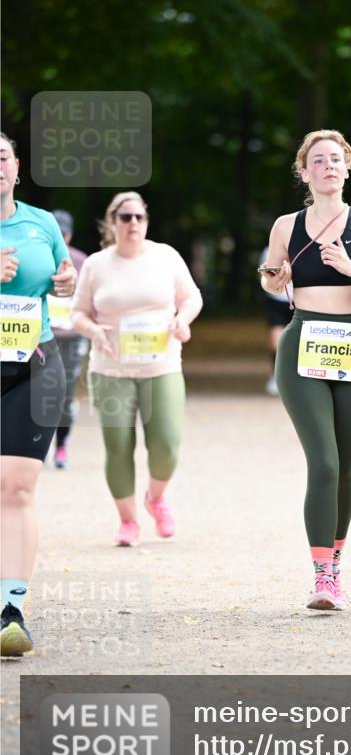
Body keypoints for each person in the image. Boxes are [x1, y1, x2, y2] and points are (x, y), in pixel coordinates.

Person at [260, 129, 351, 611]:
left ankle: (336, 564)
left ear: (347, 168)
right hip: (303, 343)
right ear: (305, 172)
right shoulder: (285, 226)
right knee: (323, 462)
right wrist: (275, 279)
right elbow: (275, 283)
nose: (328, 167)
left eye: (336, 160)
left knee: (347, 466)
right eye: (318, 161)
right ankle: (322, 577)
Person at [71, 192, 203, 546]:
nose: (133, 223)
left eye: (139, 217)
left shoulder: (166, 256)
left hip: (161, 365)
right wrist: (94, 330)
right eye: (125, 217)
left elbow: (192, 297)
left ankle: (156, 498)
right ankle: (127, 521)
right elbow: (77, 312)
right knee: (118, 446)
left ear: (146, 221)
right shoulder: (97, 264)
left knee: (166, 445)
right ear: (111, 222)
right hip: (110, 368)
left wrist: (182, 320)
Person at [1, 132, 77, 656]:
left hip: (34, 362)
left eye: (1, 158)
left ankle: (11, 611)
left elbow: (58, 280)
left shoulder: (41, 222)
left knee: (17, 488)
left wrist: (66, 282)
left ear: (17, 167)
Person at [49, 209, 89, 469]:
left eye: (64, 233)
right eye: (57, 233)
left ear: (70, 235)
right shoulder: (36, 256)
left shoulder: (82, 262)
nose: (62, 239)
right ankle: (33, 445)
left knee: (64, 395)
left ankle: (61, 445)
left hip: (72, 338)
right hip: (40, 337)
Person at [259, 243, 293, 395]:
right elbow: (262, 275)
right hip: (276, 301)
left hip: (301, 301)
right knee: (276, 341)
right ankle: (276, 375)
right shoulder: (269, 250)